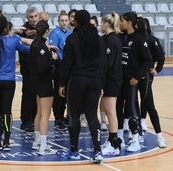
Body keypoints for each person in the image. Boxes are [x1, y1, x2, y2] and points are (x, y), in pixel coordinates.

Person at [0, 16, 33, 151]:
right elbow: (27, 50)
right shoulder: (13, 40)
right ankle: (7, 142)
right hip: (9, 81)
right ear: (5, 29)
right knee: (7, 111)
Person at [59, 10, 106, 163]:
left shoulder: (72, 39)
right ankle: (98, 151)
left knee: (74, 116)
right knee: (92, 116)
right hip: (94, 82)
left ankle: (74, 150)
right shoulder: (99, 40)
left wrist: (61, 83)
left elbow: (66, 64)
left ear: (76, 22)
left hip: (77, 81)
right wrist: (101, 83)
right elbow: (104, 64)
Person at [116, 12, 153, 152]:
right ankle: (119, 138)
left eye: (123, 21)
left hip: (131, 81)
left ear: (130, 22)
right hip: (120, 79)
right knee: (118, 108)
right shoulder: (123, 37)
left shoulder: (139, 39)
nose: (120, 23)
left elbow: (148, 61)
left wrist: (137, 76)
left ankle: (136, 139)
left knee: (132, 110)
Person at [29, 20, 59, 155]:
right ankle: (43, 146)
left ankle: (36, 142)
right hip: (44, 83)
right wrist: (53, 59)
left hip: (36, 82)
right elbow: (42, 68)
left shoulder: (35, 44)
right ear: (46, 31)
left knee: (39, 112)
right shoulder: (41, 46)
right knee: (45, 115)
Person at [137, 17, 167, 148]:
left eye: (142, 25)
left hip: (146, 76)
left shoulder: (152, 40)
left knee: (148, 101)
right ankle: (137, 129)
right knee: (132, 104)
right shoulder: (134, 39)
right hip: (133, 77)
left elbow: (161, 57)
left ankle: (159, 134)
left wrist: (157, 70)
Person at [99, 12, 123, 156]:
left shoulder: (112, 41)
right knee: (109, 112)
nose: (100, 26)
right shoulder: (109, 39)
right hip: (110, 80)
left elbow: (108, 63)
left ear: (106, 24)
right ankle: (110, 140)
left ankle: (114, 144)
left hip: (112, 80)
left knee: (111, 112)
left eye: (102, 23)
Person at [17, 6, 39, 132]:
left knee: (37, 94)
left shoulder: (42, 27)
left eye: (36, 16)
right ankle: (26, 120)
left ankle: (36, 118)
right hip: (27, 65)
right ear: (27, 17)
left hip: (40, 67)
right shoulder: (22, 30)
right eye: (31, 17)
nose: (34, 19)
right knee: (27, 94)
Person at [49, 10, 72, 130]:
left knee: (68, 93)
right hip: (60, 67)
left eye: (66, 20)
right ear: (58, 22)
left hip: (69, 68)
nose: (64, 22)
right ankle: (58, 118)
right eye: (62, 20)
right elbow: (55, 50)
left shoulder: (70, 33)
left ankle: (66, 116)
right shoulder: (55, 33)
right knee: (59, 93)